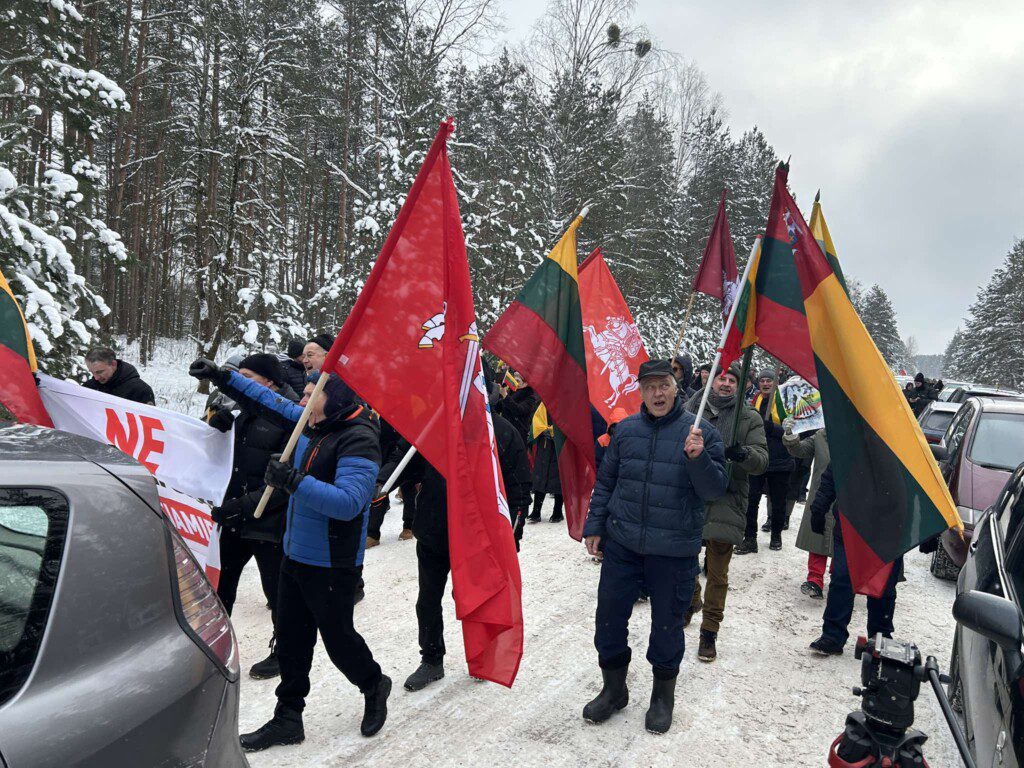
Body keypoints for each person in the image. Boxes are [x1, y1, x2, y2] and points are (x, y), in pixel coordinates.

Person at [188, 358, 390, 751]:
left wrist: (294, 481)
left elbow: (349, 503)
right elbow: (267, 400)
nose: (303, 395)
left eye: (313, 391)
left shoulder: (358, 439)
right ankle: (288, 718)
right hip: (294, 553)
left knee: (338, 640)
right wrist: (222, 377)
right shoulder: (309, 424)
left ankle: (373, 683)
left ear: (336, 398)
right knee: (293, 641)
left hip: (332, 563)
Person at [581, 359, 728, 734]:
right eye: (649, 387)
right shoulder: (626, 431)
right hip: (623, 545)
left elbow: (714, 491)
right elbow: (606, 483)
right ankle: (614, 690)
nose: (657, 394)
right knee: (609, 620)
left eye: (663, 385)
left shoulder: (700, 433)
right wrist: (595, 525)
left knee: (667, 627)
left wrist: (697, 459)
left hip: (674, 550)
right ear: (640, 392)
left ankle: (663, 697)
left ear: (676, 386)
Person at [398, 410, 531, 692]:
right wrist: (382, 479)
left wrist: (514, 533)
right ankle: (431, 659)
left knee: (477, 599)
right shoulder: (435, 424)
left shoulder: (502, 430)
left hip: (478, 538)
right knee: (427, 600)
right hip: (434, 531)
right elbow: (406, 464)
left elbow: (519, 486)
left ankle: (482, 655)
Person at [206, 353, 299, 680]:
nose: (239, 382)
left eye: (246, 376)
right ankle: (213, 647)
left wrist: (242, 505)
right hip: (234, 517)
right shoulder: (241, 411)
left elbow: (284, 480)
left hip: (268, 521)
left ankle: (283, 651)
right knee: (220, 588)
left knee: (276, 592)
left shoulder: (293, 418)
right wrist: (219, 431)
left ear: (269, 382)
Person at [684, 363, 768, 663]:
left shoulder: (749, 417)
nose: (726, 384)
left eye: (733, 379)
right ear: (711, 380)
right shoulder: (692, 407)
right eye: (722, 377)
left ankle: (709, 631)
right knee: (684, 561)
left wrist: (744, 454)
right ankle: (691, 600)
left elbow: (761, 460)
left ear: (742, 385)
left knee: (717, 573)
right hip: (691, 495)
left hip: (726, 498)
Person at [807, 462, 902, 655]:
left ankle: (880, 636)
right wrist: (819, 507)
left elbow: (920, 484)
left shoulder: (903, 443)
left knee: (883, 584)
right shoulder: (852, 439)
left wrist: (929, 531)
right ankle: (832, 636)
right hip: (851, 523)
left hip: (889, 526)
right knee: (842, 577)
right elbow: (833, 474)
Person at [735, 369, 793, 554]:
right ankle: (750, 537)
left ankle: (776, 535)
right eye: (763, 381)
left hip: (780, 459)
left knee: (778, 502)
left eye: (769, 380)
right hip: (757, 458)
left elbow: (794, 430)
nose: (766, 384)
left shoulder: (785, 402)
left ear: (775, 383)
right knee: (751, 499)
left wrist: (773, 429)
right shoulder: (754, 401)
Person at [783, 422, 833, 599]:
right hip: (821, 496)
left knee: (843, 540)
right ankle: (815, 579)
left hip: (849, 497)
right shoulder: (821, 436)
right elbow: (800, 450)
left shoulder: (858, 438)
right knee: (818, 536)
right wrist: (790, 434)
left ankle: (839, 578)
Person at [528, 402, 563, 523]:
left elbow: (568, 423)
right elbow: (536, 419)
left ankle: (557, 511)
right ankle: (536, 510)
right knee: (540, 476)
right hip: (544, 444)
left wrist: (555, 431)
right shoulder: (543, 403)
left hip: (559, 445)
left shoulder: (566, 403)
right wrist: (542, 429)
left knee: (558, 478)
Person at [83, 347, 155, 405]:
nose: (96, 378)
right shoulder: (88, 388)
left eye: (100, 372)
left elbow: (149, 421)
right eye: (92, 373)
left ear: (113, 364)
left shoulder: (140, 390)